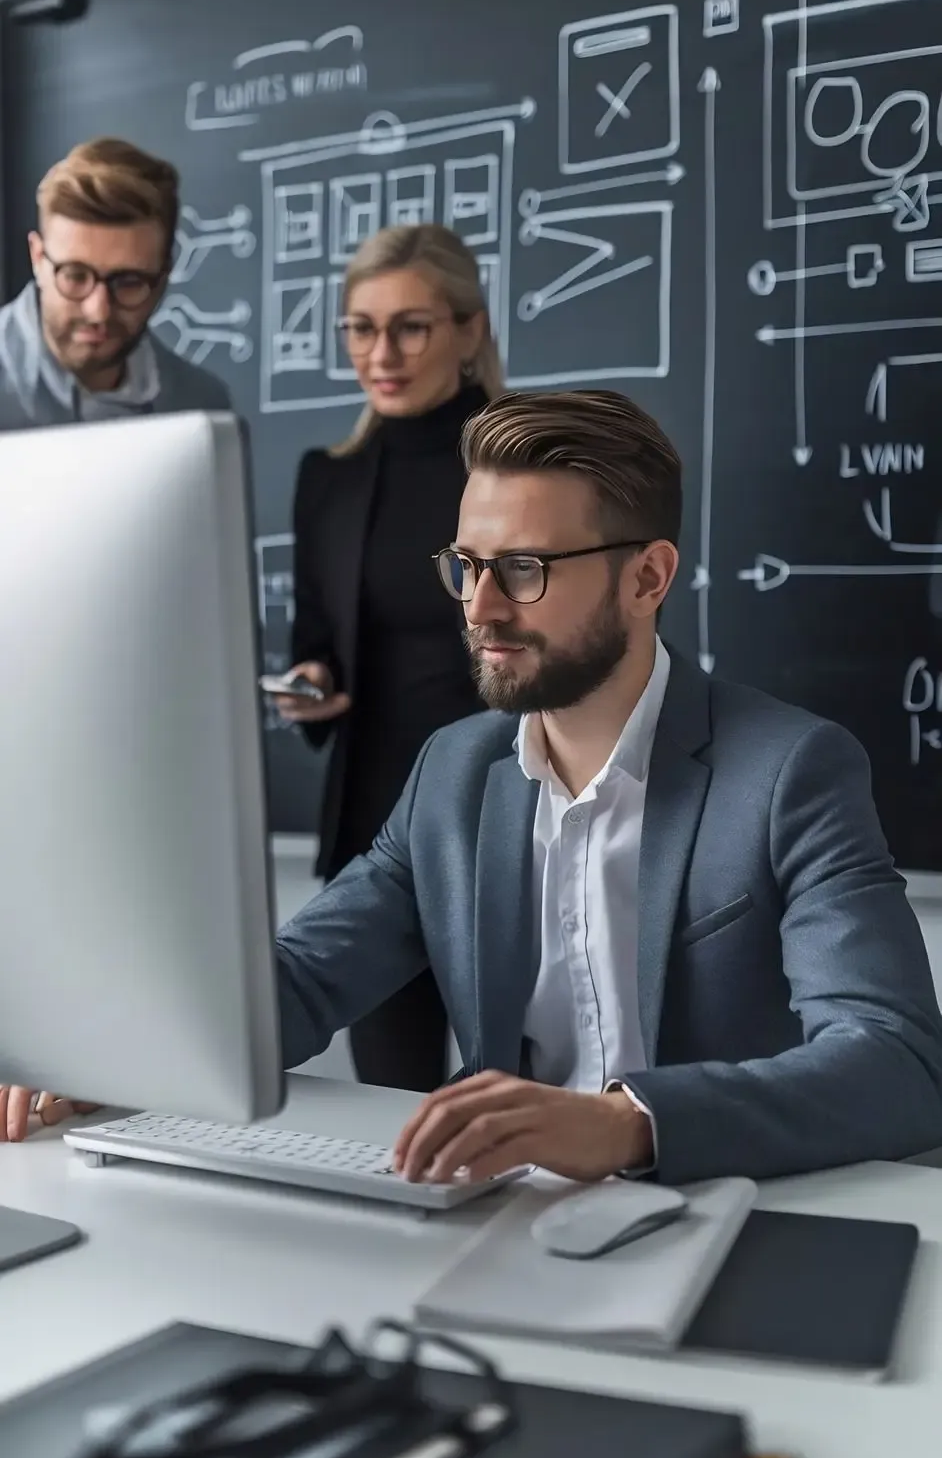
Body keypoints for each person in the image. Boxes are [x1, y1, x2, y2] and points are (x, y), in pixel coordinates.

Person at [6, 390, 942, 1184]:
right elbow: (300, 980)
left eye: (525, 569)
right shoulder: (454, 772)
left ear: (648, 577)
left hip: (731, 1215)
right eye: (467, 565)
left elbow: (898, 1064)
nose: (481, 608)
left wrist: (627, 1122)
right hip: (508, 1223)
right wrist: (110, 1056)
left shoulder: (791, 771)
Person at [272, 223, 501, 1092]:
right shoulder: (326, 477)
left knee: (531, 1095)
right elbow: (317, 639)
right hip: (377, 831)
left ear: (469, 330)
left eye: (411, 326)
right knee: (395, 1107)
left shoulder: (522, 464)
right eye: (361, 328)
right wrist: (313, 683)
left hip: (506, 813)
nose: (383, 351)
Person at [0, 137, 230, 430]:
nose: (98, 311)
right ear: (37, 258)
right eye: (75, 275)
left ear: (164, 276)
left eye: (129, 282)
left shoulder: (201, 407)